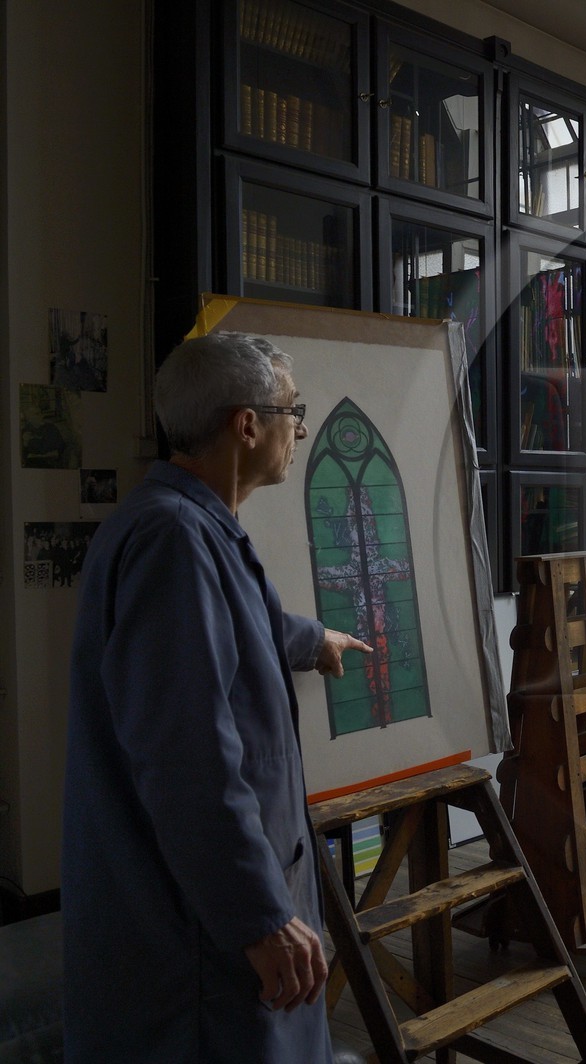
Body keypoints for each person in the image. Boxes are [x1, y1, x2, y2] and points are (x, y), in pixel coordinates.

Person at [62, 330, 373, 1063]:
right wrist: (262, 917)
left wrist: (313, 640)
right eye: (292, 412)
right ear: (247, 423)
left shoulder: (193, 522)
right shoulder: (173, 539)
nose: (300, 430)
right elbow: (186, 758)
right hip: (194, 942)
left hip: (210, 921)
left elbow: (245, 622)